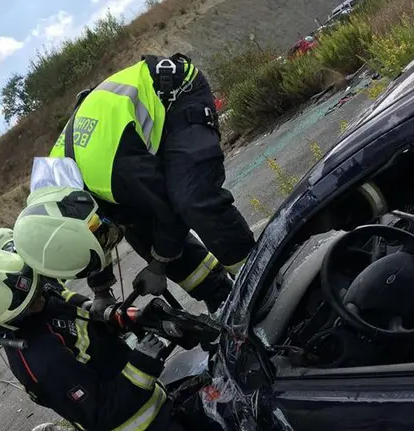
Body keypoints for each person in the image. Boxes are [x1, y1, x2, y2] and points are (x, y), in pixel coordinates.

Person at [13, 53, 255, 316]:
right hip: (125, 137)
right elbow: (81, 239)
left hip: (176, 92)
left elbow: (170, 212)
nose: (108, 242)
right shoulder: (52, 195)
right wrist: (101, 291)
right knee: (138, 229)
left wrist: (159, 264)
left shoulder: (113, 174)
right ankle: (219, 294)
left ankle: (259, 279)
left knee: (192, 199)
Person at [0, 249, 183, 431]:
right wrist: (142, 365)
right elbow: (100, 414)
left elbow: (80, 319)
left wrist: (119, 318)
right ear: (8, 315)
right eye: (31, 300)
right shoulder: (41, 362)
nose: (41, 297)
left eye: (38, 288)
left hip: (157, 404)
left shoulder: (40, 303)